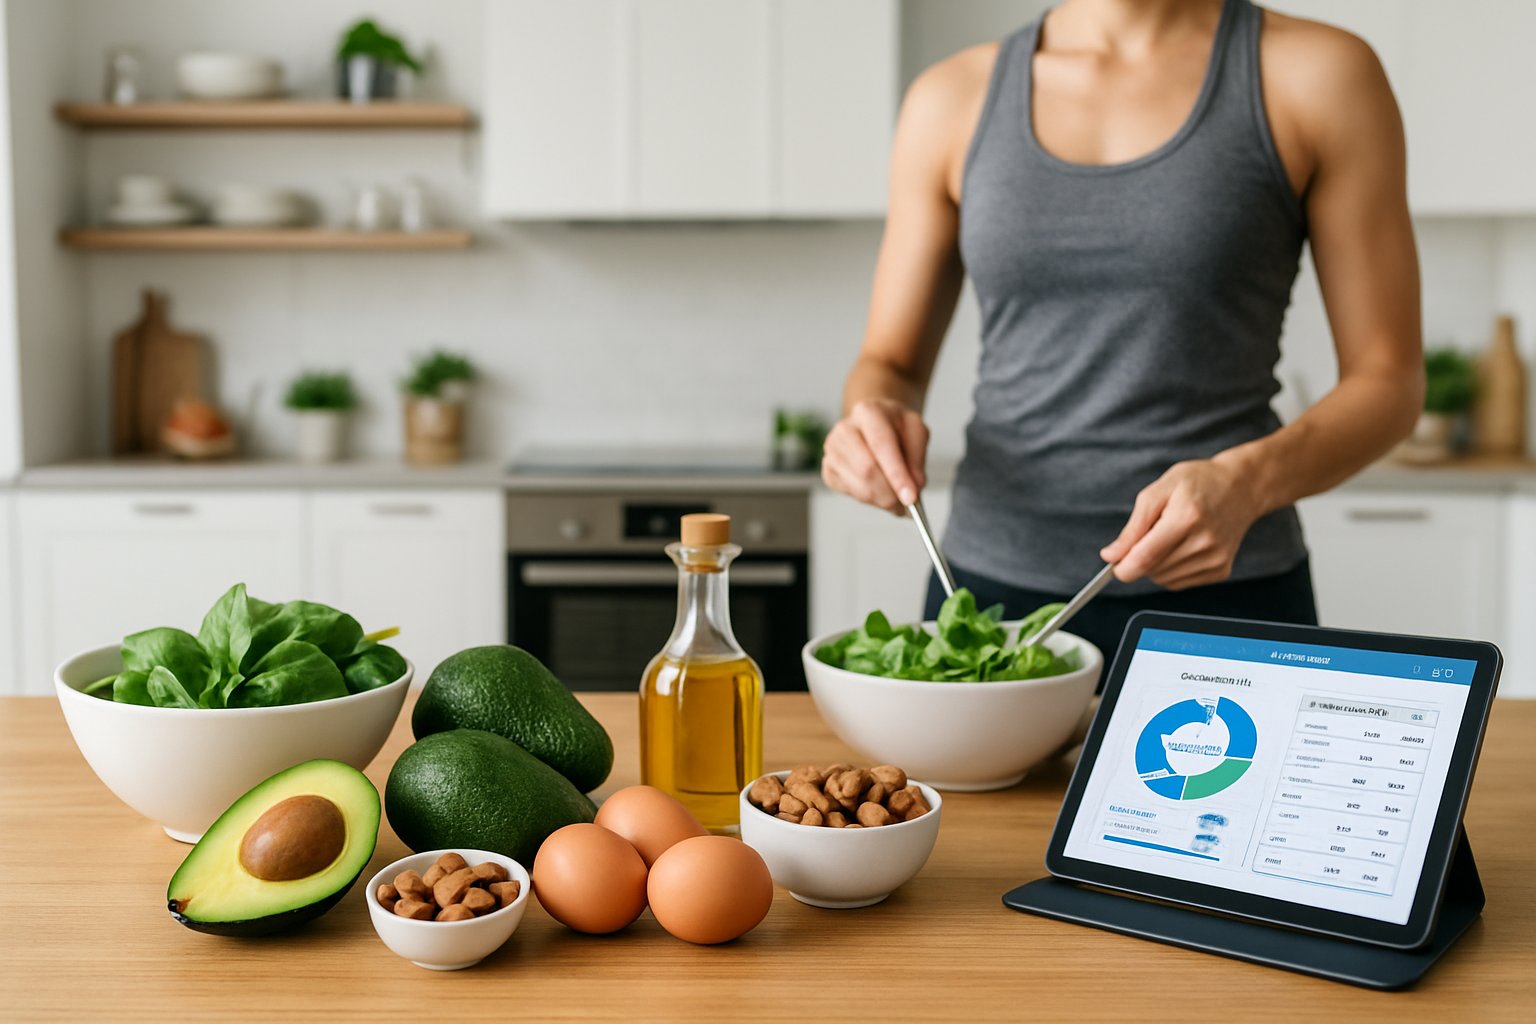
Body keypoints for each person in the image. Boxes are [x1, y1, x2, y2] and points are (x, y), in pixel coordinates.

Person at [820, 0, 1424, 660]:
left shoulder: (1319, 75)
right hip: (987, 601)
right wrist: (871, 419)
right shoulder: (949, 98)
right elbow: (890, 361)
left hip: (1230, 597)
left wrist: (1248, 484)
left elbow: (1388, 380)